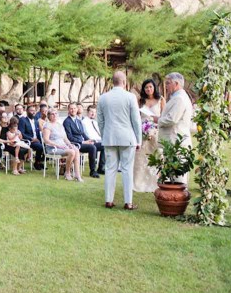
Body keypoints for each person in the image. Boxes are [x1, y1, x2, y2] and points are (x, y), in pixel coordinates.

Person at [97, 71, 142, 210]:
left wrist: (105, 135)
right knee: (127, 169)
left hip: (109, 137)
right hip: (127, 137)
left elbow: (100, 121)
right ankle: (128, 202)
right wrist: (138, 139)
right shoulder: (130, 97)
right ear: (124, 81)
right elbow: (136, 120)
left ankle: (108, 200)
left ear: (113, 82)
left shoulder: (103, 98)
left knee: (110, 169)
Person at [156, 72, 193, 183]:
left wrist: (157, 120)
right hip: (173, 141)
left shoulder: (179, 99)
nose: (166, 86)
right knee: (172, 173)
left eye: (168, 83)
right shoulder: (176, 97)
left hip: (176, 140)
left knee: (178, 175)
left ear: (176, 84)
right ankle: (174, 197)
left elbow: (172, 119)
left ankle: (177, 198)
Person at [133, 79, 164, 192]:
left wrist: (155, 123)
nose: (148, 89)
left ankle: (156, 182)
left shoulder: (160, 100)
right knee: (141, 157)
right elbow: (136, 116)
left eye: (150, 87)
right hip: (143, 131)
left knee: (156, 156)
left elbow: (163, 116)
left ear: (154, 87)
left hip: (156, 131)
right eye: (146, 87)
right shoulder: (140, 101)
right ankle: (139, 182)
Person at [63, 103, 105, 178]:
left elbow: (82, 134)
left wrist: (89, 140)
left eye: (74, 108)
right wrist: (83, 142)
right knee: (92, 147)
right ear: (68, 110)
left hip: (83, 142)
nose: (73, 110)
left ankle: (101, 168)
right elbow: (69, 137)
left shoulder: (78, 121)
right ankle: (93, 171)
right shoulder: (67, 122)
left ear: (77, 109)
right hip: (75, 144)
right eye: (71, 109)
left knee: (103, 145)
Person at [42, 110, 82, 181]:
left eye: (56, 113)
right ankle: (67, 172)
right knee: (71, 152)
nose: (54, 115)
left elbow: (65, 138)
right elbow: (46, 140)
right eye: (52, 114)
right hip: (52, 148)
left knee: (75, 149)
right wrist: (57, 145)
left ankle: (77, 174)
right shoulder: (47, 125)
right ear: (49, 116)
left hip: (63, 146)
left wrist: (70, 144)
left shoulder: (60, 125)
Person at [18, 105, 44, 170]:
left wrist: (42, 140)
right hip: (28, 140)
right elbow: (22, 132)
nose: (33, 112)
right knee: (40, 147)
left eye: (34, 111)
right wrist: (31, 139)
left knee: (46, 146)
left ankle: (40, 162)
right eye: (31, 110)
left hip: (37, 140)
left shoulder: (36, 121)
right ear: (27, 111)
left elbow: (38, 133)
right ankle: (37, 163)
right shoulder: (23, 120)